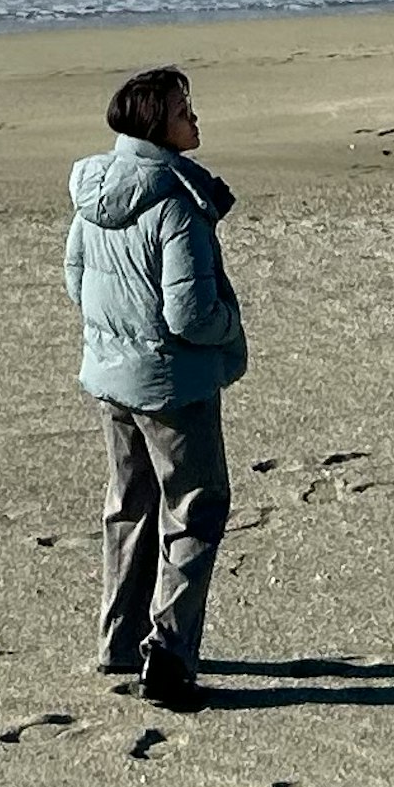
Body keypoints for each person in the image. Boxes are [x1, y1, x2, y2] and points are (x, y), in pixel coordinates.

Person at [65, 62, 248, 708]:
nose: (194, 117)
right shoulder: (174, 201)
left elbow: (75, 279)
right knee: (196, 510)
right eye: (181, 109)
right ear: (156, 124)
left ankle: (119, 641)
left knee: (130, 505)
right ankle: (168, 655)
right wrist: (232, 324)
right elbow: (189, 314)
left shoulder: (94, 189)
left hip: (111, 377)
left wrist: (114, 335)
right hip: (170, 383)